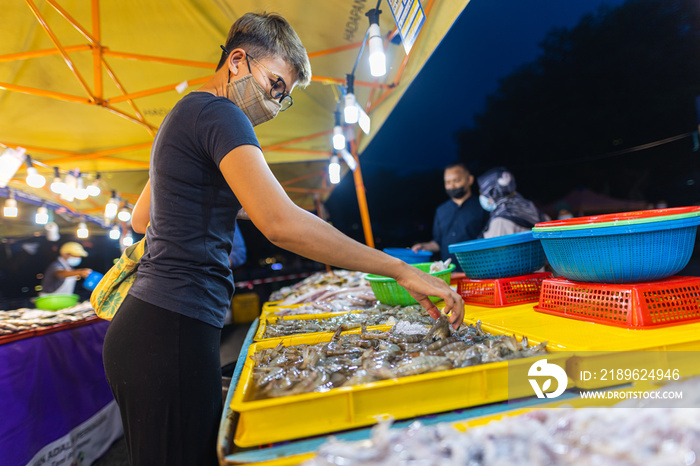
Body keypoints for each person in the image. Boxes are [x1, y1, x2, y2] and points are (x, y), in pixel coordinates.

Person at [103, 12, 464, 466]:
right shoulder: (220, 113)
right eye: (276, 85)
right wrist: (398, 268)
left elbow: (141, 218)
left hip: (144, 330)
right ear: (237, 61)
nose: (277, 103)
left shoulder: (185, 113)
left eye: (285, 97)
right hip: (171, 326)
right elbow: (281, 223)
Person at [412, 162, 489, 268]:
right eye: (447, 182)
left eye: (456, 181)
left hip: (477, 270)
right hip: (448, 271)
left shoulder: (483, 207)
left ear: (469, 180)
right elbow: (438, 242)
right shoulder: (441, 210)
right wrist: (424, 246)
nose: (451, 186)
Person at [477, 167, 549, 238]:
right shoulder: (530, 207)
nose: (481, 196)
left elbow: (496, 249)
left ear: (492, 193)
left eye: (482, 192)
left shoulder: (500, 221)